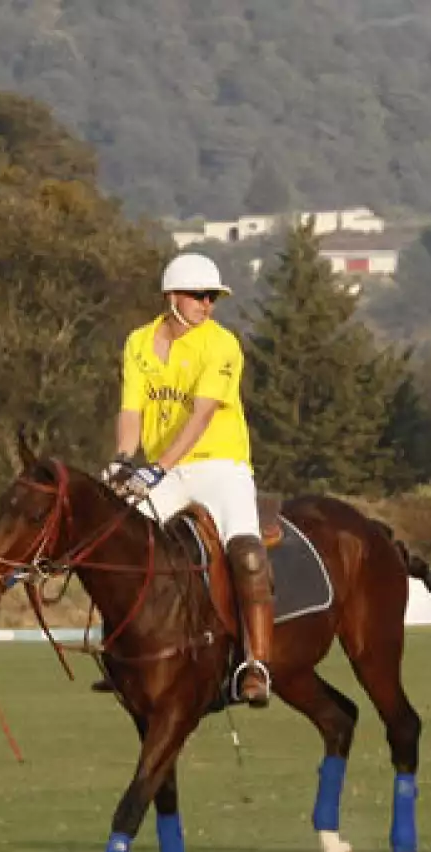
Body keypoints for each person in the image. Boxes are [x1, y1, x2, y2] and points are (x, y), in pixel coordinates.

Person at [102, 252, 274, 706]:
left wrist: (155, 468)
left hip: (221, 466)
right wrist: (123, 459)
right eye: (199, 295)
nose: (207, 304)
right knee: (117, 541)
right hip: (166, 471)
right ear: (172, 297)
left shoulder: (221, 345)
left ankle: (256, 663)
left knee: (248, 555)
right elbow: (131, 409)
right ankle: (121, 651)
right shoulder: (138, 343)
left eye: (212, 297)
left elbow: (200, 418)